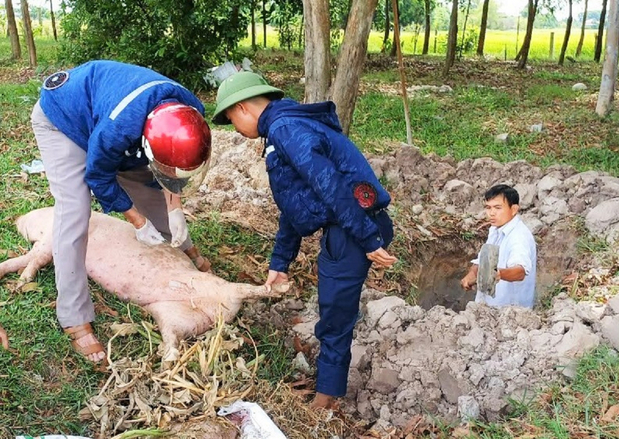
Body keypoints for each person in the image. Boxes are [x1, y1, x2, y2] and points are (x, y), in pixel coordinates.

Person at [212, 71, 398, 409]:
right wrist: (280, 262)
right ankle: (329, 390)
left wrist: (369, 240)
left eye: (232, 122)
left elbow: (331, 187)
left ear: (242, 109)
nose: (238, 132)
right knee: (335, 310)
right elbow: (295, 201)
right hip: (354, 225)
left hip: (351, 230)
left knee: (335, 316)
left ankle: (326, 400)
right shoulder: (288, 124)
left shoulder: (285, 130)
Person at [31, 60, 213, 363]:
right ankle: (74, 317)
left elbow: (170, 166)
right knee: (74, 211)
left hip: (116, 123)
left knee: (155, 201)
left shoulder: (190, 112)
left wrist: (175, 207)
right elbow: (98, 177)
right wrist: (138, 222)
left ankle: (185, 254)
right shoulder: (117, 130)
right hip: (63, 118)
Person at [461, 184, 537, 308]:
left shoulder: (518, 236)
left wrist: (498, 274)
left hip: (510, 315)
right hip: (487, 310)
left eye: (497, 208)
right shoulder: (495, 230)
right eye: (488, 207)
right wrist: (472, 274)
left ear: (513, 209)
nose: (491, 213)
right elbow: (483, 260)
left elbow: (520, 272)